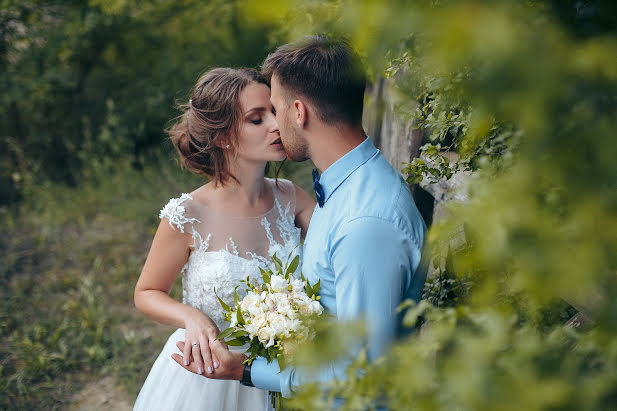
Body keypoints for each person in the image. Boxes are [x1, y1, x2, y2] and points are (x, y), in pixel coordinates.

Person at [172, 35, 428, 402]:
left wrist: (244, 369)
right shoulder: (340, 189)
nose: (274, 124)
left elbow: (362, 373)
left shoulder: (366, 224)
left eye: (274, 109)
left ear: (298, 111)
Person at [133, 67, 315, 410]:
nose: (276, 125)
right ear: (222, 136)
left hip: (280, 372)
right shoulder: (187, 214)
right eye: (256, 119)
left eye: (274, 112)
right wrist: (191, 317)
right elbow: (146, 292)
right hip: (207, 374)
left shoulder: (293, 199)